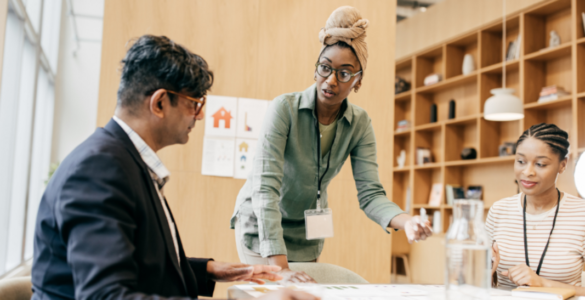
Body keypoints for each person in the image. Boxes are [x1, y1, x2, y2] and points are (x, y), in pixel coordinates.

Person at [31, 35, 317, 300]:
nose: (201, 114)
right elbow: (105, 295)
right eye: (195, 103)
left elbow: (140, 264)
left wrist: (210, 270)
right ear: (159, 103)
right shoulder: (98, 171)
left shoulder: (121, 159)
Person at [230, 6, 432, 283]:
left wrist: (406, 220)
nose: (331, 80)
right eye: (325, 68)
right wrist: (281, 270)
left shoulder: (359, 124)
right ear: (316, 68)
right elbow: (265, 190)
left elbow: (371, 194)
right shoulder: (284, 109)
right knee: (278, 291)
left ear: (358, 81)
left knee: (306, 293)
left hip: (306, 231)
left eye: (344, 73)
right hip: (261, 224)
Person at [487, 123, 585, 295]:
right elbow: (480, 285)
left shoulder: (581, 213)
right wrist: (485, 273)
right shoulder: (498, 210)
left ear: (563, 165)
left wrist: (541, 283)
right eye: (521, 161)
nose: (528, 171)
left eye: (540, 164)